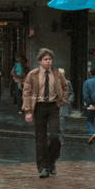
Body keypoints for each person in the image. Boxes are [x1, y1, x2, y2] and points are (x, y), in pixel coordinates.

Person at [22, 48, 69, 178]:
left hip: (53, 106)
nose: (48, 62)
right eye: (45, 60)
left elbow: (66, 88)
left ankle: (51, 161)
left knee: (54, 136)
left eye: (50, 59)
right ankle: (43, 167)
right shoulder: (33, 74)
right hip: (39, 107)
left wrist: (62, 101)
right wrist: (28, 111)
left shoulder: (58, 73)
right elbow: (26, 93)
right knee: (40, 139)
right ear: (40, 61)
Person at [58, 67, 74, 146]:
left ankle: (61, 139)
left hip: (63, 105)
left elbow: (71, 93)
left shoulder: (67, 82)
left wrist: (69, 100)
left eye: (62, 74)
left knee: (61, 122)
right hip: (54, 104)